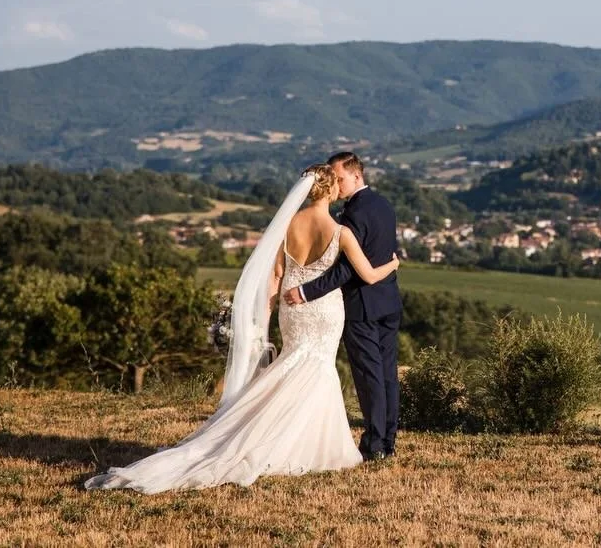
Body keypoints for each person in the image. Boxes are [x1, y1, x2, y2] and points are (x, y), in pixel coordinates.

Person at [84, 163, 397, 492]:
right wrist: (393, 261)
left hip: (291, 311)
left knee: (292, 365)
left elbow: (275, 276)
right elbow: (370, 275)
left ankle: (274, 435)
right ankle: (304, 443)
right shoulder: (341, 232)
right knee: (316, 371)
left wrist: (264, 317)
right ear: (330, 190)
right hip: (324, 311)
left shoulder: (288, 225)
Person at [284, 151, 401, 461]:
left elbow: (346, 270)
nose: (336, 184)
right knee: (388, 373)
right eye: (333, 179)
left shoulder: (353, 216)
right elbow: (388, 252)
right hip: (389, 302)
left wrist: (306, 291)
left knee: (369, 375)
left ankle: (375, 444)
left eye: (340, 178)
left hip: (363, 304)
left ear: (356, 176)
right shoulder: (384, 206)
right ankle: (388, 439)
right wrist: (391, 267)